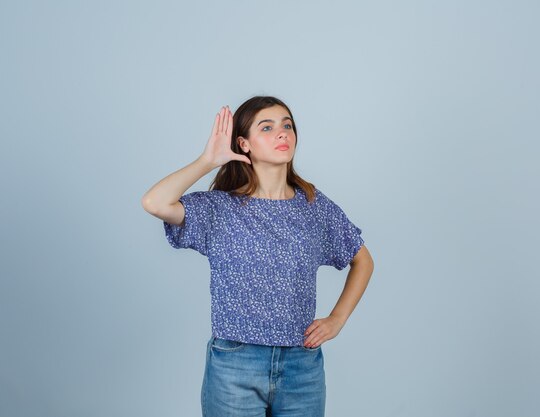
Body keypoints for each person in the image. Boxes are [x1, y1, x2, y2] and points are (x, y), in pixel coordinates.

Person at [141, 95, 374, 416]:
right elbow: (155, 202)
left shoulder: (313, 206)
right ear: (243, 143)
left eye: (287, 125)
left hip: (301, 365)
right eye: (267, 127)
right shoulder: (220, 208)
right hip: (235, 363)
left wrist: (337, 319)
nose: (282, 133)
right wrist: (208, 160)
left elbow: (363, 260)